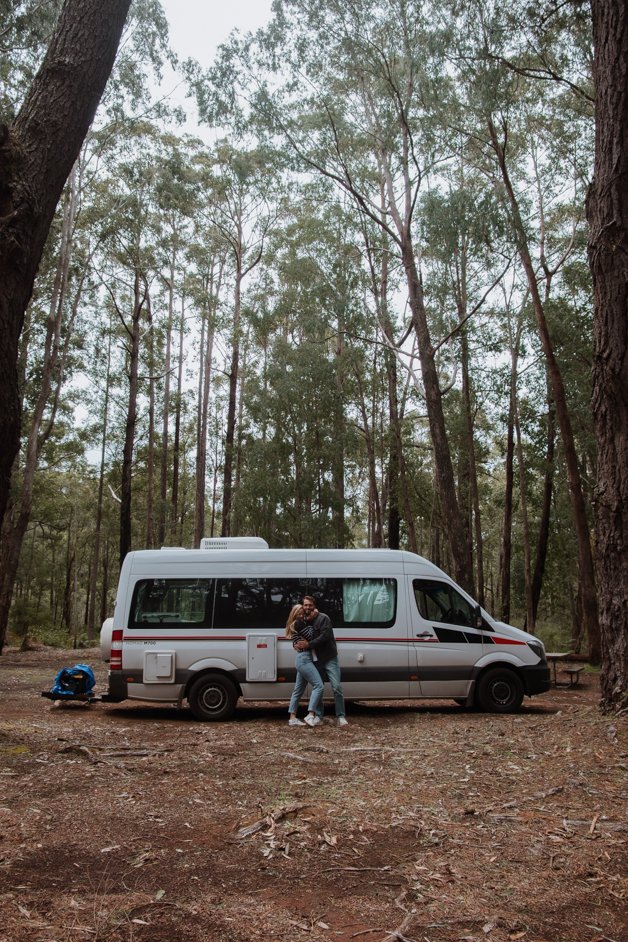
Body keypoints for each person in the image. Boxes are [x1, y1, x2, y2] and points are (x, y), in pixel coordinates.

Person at [294, 595, 348, 727]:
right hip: (316, 659)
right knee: (318, 687)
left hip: (330, 658)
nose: (307, 607)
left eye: (309, 605)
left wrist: (308, 644)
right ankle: (318, 715)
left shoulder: (323, 618)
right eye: (305, 605)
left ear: (314, 605)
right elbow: (297, 635)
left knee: (337, 687)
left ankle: (341, 716)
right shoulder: (304, 621)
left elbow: (325, 636)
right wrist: (296, 644)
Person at [285, 604, 324, 727]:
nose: (302, 615)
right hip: (304, 659)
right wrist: (311, 618)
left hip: (301, 658)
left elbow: (306, 639)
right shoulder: (299, 623)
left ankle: (292, 718)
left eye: (303, 613)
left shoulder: (295, 624)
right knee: (319, 685)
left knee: (298, 690)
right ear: (295, 614)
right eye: (299, 613)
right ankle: (311, 714)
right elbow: (311, 636)